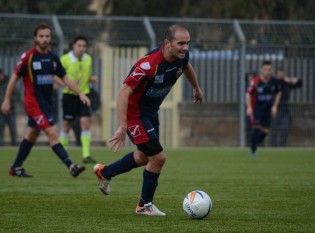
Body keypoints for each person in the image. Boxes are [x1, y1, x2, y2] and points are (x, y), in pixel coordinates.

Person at [93, 24, 203, 216]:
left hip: (151, 112)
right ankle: (144, 205)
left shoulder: (181, 57)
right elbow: (122, 93)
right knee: (159, 157)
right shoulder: (148, 65)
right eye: (181, 43)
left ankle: (105, 172)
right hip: (135, 113)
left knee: (144, 157)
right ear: (167, 43)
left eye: (188, 43)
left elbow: (186, 66)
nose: (185, 48)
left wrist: (196, 87)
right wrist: (122, 126)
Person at [1, 23, 90, 178]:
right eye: (41, 36)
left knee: (31, 135)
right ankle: (72, 166)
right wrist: (6, 100)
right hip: (33, 104)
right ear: (35, 38)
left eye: (47, 36)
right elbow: (14, 78)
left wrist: (80, 93)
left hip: (46, 104)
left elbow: (65, 77)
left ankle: (15, 167)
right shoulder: (28, 57)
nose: (44, 39)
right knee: (53, 133)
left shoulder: (53, 58)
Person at [58, 35, 97, 164]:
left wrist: (91, 79)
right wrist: (64, 84)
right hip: (69, 96)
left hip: (84, 95)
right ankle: (62, 154)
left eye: (84, 46)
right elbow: (55, 76)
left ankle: (86, 155)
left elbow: (85, 75)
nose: (81, 48)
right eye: (79, 45)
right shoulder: (64, 59)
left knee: (85, 123)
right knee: (67, 124)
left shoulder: (88, 59)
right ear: (73, 46)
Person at [246, 60, 282, 156]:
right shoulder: (256, 81)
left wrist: (275, 106)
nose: (268, 71)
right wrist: (249, 107)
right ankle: (252, 151)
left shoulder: (274, 81)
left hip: (267, 110)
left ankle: (253, 145)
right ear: (262, 70)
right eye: (265, 69)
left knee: (265, 131)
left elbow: (279, 92)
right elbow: (248, 94)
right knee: (256, 128)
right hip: (256, 109)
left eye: (269, 69)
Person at [269, 68, 302, 147]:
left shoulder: (286, 83)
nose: (281, 76)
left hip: (284, 109)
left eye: (283, 74)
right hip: (274, 108)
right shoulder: (273, 82)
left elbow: (299, 83)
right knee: (273, 129)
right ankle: (273, 147)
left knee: (285, 128)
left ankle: (281, 146)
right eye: (279, 74)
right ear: (276, 75)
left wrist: (290, 80)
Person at [0, 68, 18, 146]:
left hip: (11, 110)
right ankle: (1, 143)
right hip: (0, 111)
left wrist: (9, 103)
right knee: (0, 127)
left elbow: (16, 95)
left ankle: (14, 143)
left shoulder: (9, 83)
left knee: (13, 127)